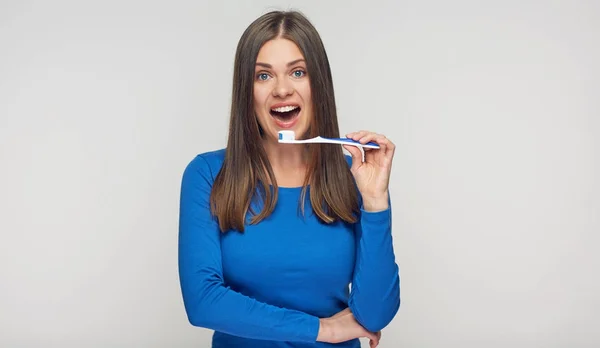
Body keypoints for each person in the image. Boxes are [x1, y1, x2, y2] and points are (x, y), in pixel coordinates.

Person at [178, 10, 400, 348]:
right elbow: (203, 301)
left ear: (318, 86)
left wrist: (375, 203)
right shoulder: (207, 175)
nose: (282, 89)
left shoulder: (353, 177)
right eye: (263, 76)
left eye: (298, 72)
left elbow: (374, 315)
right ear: (246, 92)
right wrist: (321, 329)